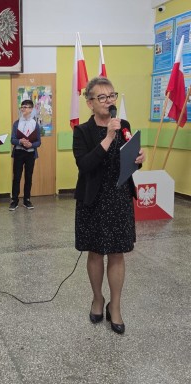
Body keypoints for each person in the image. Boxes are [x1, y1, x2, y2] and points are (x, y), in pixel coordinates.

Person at [72, 77, 145, 335]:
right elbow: (85, 165)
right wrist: (108, 137)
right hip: (93, 199)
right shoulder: (82, 131)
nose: (108, 101)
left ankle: (115, 305)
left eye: (111, 95)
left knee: (116, 253)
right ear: (90, 103)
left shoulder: (124, 125)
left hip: (119, 198)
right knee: (95, 253)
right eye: (101, 97)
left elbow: (128, 159)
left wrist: (139, 159)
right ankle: (97, 298)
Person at [9, 99, 41, 211]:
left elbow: (38, 142)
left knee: (28, 176)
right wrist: (20, 141)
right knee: (16, 177)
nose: (23, 109)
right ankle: (14, 200)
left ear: (31, 109)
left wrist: (31, 144)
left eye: (26, 107)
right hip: (19, 152)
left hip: (30, 153)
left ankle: (27, 199)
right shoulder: (16, 123)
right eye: (22, 107)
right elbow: (12, 139)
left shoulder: (35, 124)